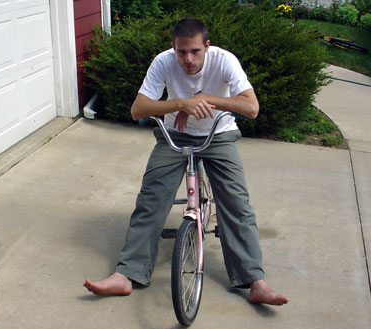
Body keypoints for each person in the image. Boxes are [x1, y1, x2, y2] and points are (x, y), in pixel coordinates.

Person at [84, 18, 288, 306]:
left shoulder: (225, 61)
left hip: (218, 135)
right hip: (175, 135)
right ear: (173, 47)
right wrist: (181, 103)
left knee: (236, 204)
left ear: (207, 46)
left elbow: (251, 107)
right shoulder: (163, 62)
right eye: (181, 52)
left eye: (194, 51)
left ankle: (255, 281)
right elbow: (138, 109)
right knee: (150, 200)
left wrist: (206, 99)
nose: (188, 60)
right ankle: (127, 274)